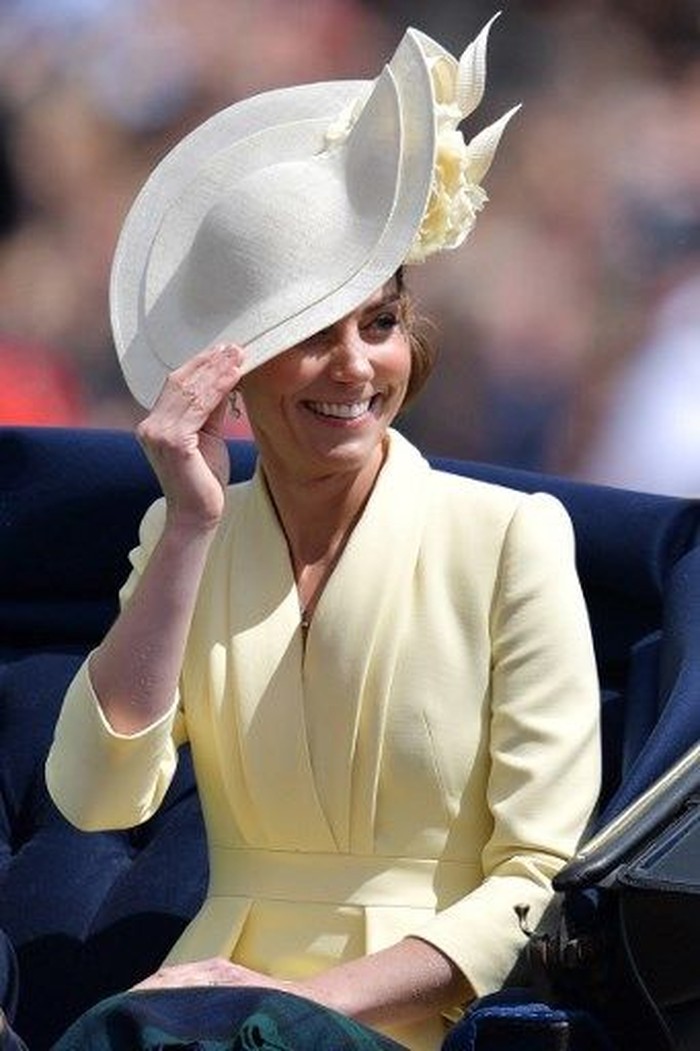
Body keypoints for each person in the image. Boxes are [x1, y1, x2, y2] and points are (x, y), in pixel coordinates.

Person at [45, 15, 601, 1051]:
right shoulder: (190, 536)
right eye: (309, 337)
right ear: (231, 370)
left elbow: (536, 880)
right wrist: (187, 532)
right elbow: (92, 795)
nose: (355, 368)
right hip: (204, 1006)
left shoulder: (513, 536)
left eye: (378, 323)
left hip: (428, 1015)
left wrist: (311, 1005)